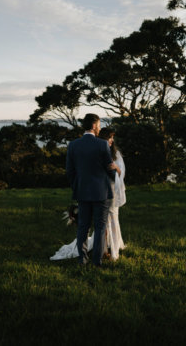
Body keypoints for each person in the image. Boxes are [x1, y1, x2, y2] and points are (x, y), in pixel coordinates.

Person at [50, 114, 116, 266]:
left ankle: (82, 259)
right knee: (99, 228)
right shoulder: (102, 145)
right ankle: (97, 262)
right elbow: (109, 168)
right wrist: (115, 177)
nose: (99, 128)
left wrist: (77, 186)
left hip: (82, 192)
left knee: (83, 227)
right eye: (99, 125)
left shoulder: (73, 145)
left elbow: (69, 171)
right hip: (101, 193)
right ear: (94, 126)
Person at [99, 127, 126, 261]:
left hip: (113, 189)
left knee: (113, 219)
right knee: (102, 221)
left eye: (112, 138)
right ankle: (103, 249)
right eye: (109, 137)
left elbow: (122, 173)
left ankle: (114, 248)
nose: (112, 140)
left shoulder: (116, 154)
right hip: (101, 189)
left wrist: (116, 168)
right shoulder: (98, 152)